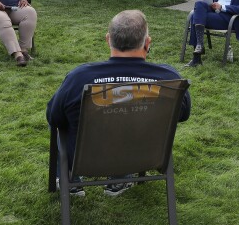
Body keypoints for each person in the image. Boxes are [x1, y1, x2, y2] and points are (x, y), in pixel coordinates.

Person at [46, 10, 191, 197]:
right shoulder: (168, 78)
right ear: (147, 42)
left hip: (85, 160)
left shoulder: (80, 77)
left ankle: (71, 182)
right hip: (145, 157)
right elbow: (184, 113)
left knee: (61, 121)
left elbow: (54, 117)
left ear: (108, 40)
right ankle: (120, 179)